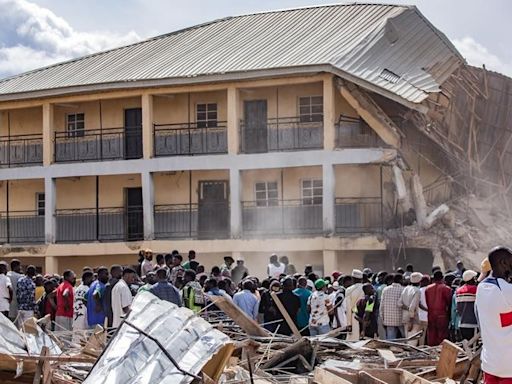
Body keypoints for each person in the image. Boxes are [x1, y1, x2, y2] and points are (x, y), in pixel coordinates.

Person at [475, 247, 512, 383]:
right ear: (503, 263)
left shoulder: (481, 288)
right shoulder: (507, 291)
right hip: (509, 367)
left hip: (490, 364)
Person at [425, 270, 452, 346]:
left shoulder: (428, 289)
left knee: (432, 336)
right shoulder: (446, 289)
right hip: (442, 315)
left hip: (431, 315)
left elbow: (427, 302)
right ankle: (440, 354)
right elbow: (449, 303)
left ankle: (431, 352)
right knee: (442, 336)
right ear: (442, 278)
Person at [398, 272, 423, 345]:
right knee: (412, 341)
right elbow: (412, 307)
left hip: (405, 316)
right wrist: (411, 320)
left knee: (407, 338)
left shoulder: (406, 288)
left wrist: (407, 308)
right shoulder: (417, 291)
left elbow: (399, 303)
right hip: (412, 318)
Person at [380, 273, 405, 340]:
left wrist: (382, 318)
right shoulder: (403, 290)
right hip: (401, 319)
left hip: (389, 319)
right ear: (401, 280)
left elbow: (381, 306)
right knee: (405, 338)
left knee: (391, 340)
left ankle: (392, 349)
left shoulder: (385, 290)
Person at [456, 270, 478, 341]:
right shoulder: (475, 289)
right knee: (474, 347)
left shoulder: (458, 291)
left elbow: (458, 309)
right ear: (471, 279)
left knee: (466, 346)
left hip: (462, 323)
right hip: (474, 324)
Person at [345, 269, 364, 341]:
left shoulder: (349, 290)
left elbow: (348, 307)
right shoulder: (366, 288)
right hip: (366, 316)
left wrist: (349, 324)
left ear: (353, 279)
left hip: (354, 316)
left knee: (354, 340)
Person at [418, 275, 430, 345]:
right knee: (428, 335)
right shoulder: (430, 289)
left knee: (421, 335)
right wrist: (429, 310)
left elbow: (419, 304)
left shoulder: (419, 290)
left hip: (421, 316)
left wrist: (425, 309)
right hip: (429, 316)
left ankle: (421, 348)